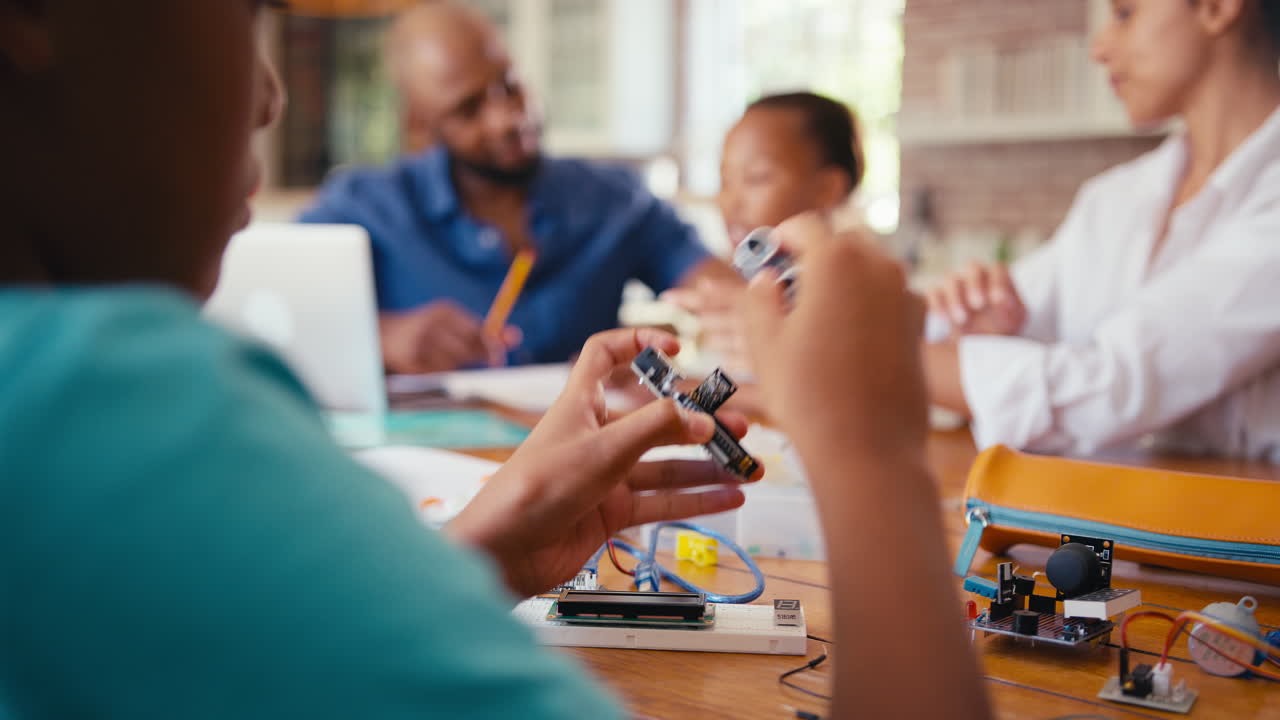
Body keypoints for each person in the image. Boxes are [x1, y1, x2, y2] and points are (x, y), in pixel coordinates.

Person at [0, 1, 990, 718]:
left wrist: (479, 556)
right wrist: (869, 458)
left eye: (509, 85)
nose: (267, 94)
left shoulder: (606, 197)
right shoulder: (116, 412)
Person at [299, 0, 741, 375]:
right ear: (421, 124)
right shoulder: (364, 206)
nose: (508, 117)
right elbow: (270, 314)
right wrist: (380, 337)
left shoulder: (615, 200)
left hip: (586, 452)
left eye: (508, 84)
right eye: (469, 108)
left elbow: (720, 292)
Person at [924, 0, 1280, 460]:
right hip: (1095, 519)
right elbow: (999, 314)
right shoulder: (1114, 199)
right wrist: (988, 328)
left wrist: (884, 355)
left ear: (1216, 7)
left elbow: (1111, 388)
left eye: (1125, 14)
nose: (1098, 49)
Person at [665, 91, 866, 374]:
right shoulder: (751, 296)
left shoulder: (858, 302)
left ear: (827, 189)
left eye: (756, 178)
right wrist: (668, 389)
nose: (729, 202)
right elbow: (744, 387)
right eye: (725, 181)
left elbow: (811, 391)